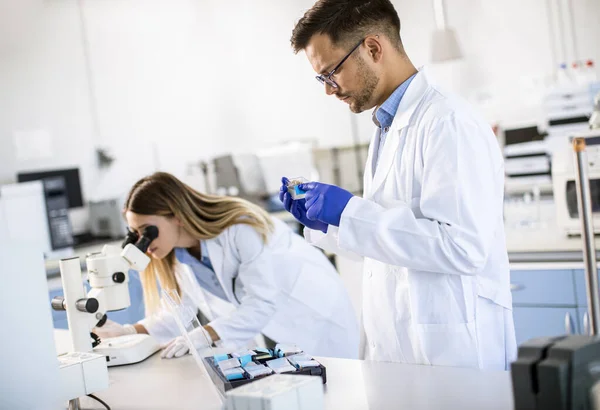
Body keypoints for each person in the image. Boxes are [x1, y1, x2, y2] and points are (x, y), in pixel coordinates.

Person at [280, 0, 516, 370]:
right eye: (321, 79)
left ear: (373, 49)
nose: (329, 90)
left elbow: (462, 247)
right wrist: (330, 224)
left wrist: (350, 212)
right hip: (400, 350)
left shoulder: (447, 122)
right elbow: (390, 244)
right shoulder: (387, 127)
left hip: (455, 354)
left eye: (331, 73)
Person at [94, 172, 359, 360]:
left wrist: (205, 334)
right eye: (134, 234)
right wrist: (127, 331)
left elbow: (261, 303)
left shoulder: (239, 229)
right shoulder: (180, 255)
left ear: (175, 216)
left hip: (315, 315)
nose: (143, 242)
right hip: (274, 331)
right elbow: (178, 313)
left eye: (146, 231)